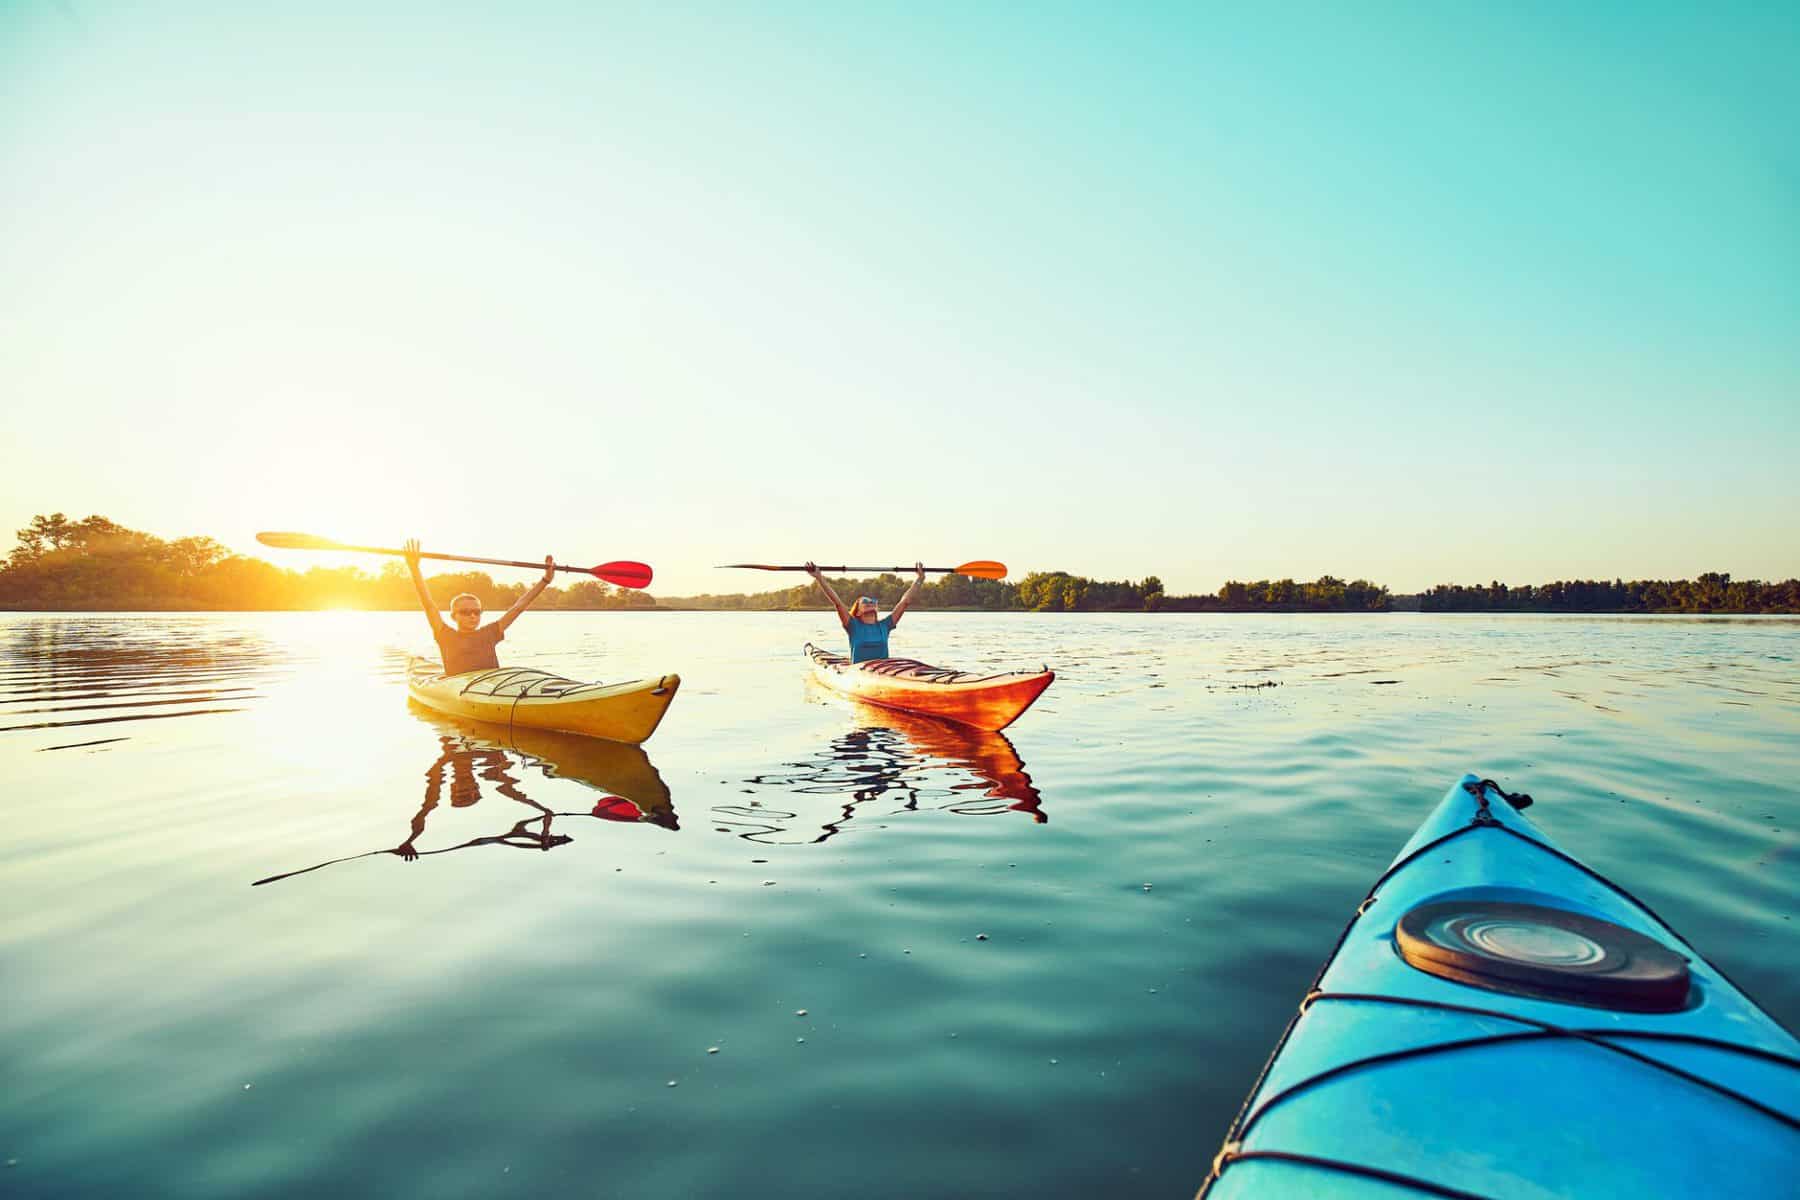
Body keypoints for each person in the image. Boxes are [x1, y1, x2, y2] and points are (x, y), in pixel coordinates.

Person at [406, 537, 555, 675]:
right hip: (459, 688)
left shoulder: (489, 633)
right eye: (465, 612)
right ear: (453, 616)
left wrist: (545, 580)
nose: (472, 616)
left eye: (477, 612)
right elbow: (429, 605)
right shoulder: (445, 635)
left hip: (491, 688)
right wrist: (414, 569)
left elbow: (519, 607)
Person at [805, 560, 925, 663]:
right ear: (858, 611)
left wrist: (920, 578)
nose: (870, 602)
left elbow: (905, 602)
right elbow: (837, 602)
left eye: (873, 600)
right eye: (865, 601)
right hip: (859, 672)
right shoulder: (852, 625)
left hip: (883, 671)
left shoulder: (885, 625)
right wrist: (819, 577)